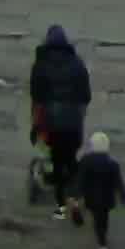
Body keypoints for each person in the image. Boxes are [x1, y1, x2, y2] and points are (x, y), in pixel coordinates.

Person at [29, 25, 93, 206]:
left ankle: (61, 185)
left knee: (57, 155)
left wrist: (36, 125)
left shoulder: (41, 64)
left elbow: (37, 97)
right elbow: (86, 96)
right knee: (69, 155)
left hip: (51, 123)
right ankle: (74, 186)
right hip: (73, 123)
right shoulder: (77, 62)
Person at [77, 129, 125, 249]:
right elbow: (119, 183)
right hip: (106, 199)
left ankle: (100, 241)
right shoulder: (112, 164)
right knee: (102, 221)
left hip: (90, 197)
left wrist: (76, 195)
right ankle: (102, 245)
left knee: (95, 216)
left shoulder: (85, 161)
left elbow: (80, 180)